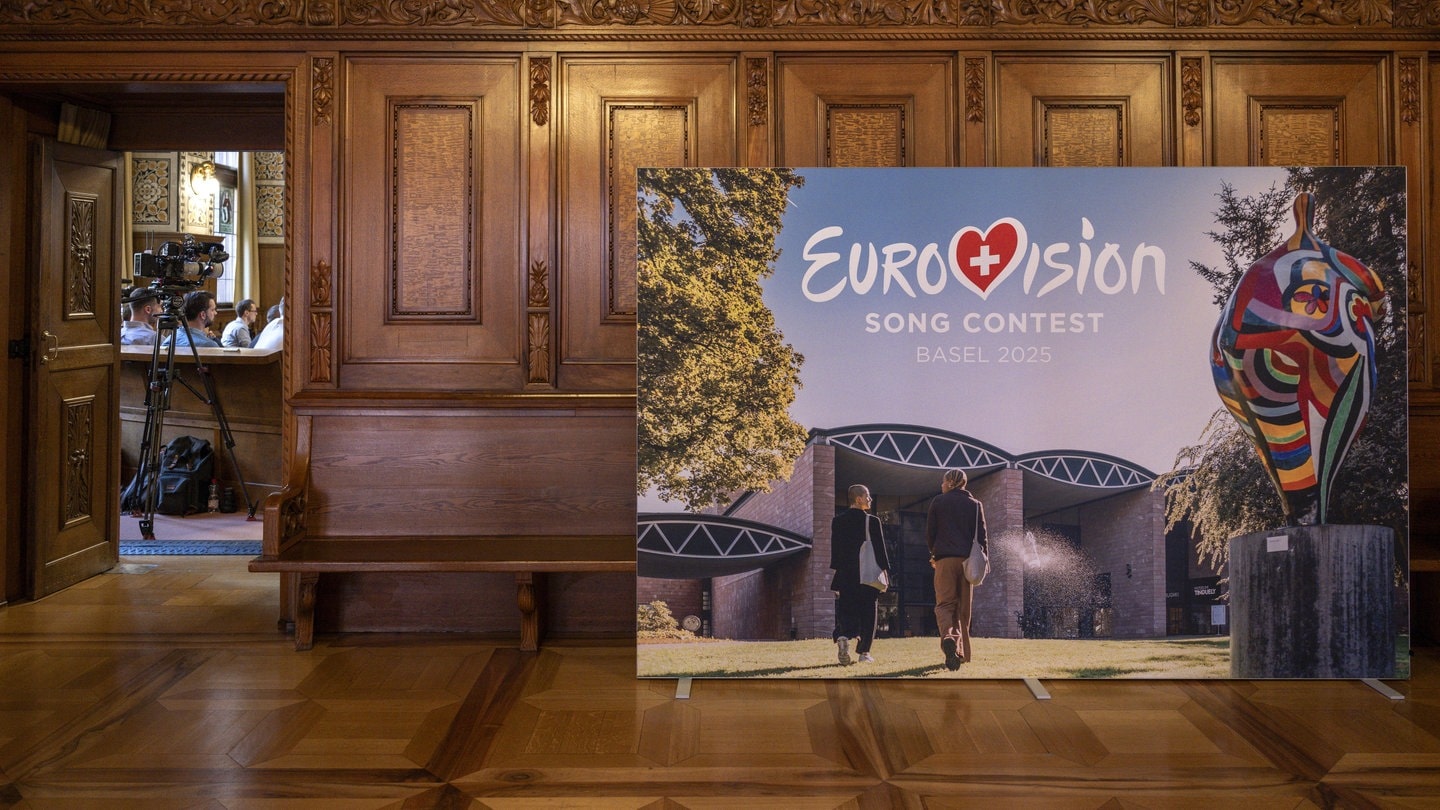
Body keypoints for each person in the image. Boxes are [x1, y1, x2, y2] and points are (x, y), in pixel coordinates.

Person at [926, 468, 987, 671]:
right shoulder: (976, 505)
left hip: (945, 561)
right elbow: (982, 538)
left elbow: (930, 533)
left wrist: (934, 554)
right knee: (963, 610)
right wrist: (981, 564)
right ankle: (963, 654)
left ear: (950, 482)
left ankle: (949, 638)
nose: (941, 485)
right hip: (968, 562)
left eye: (943, 482)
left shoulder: (938, 502)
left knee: (944, 605)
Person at [829, 484, 890, 666]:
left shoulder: (837, 521)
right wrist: (885, 572)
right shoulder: (872, 521)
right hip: (867, 574)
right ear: (859, 499)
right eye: (868, 496)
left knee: (847, 609)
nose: (870, 499)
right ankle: (864, 652)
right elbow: (879, 550)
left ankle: (843, 636)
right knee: (868, 612)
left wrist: (839, 573)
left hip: (846, 575)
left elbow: (836, 551)